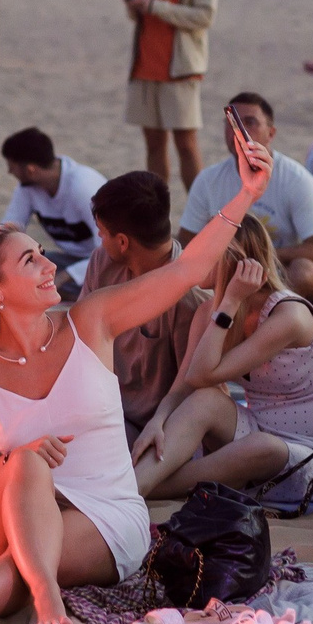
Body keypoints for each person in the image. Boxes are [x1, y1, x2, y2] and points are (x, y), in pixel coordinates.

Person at [0, 121, 275, 624]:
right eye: (30, 261)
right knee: (28, 464)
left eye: (42, 253)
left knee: (41, 541)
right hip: (9, 508)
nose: (49, 265)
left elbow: (187, 269)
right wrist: (20, 457)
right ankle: (40, 592)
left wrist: (246, 194)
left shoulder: (91, 320)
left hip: (106, 511)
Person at [130, 215, 313, 508]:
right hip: (256, 429)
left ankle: (144, 488)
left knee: (260, 446)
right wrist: (158, 419)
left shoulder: (289, 316)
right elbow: (186, 386)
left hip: (308, 453)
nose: (193, 257)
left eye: (206, 251)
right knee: (205, 400)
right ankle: (136, 485)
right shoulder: (210, 312)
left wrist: (230, 302)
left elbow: (202, 374)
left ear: (235, 261)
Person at [78, 171, 203, 444]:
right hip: (101, 406)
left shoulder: (188, 299)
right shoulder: (103, 262)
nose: (100, 238)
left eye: (102, 233)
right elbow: (80, 339)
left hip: (152, 428)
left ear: (122, 242)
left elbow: (190, 389)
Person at [175, 92, 313, 301]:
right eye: (232, 123)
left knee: (304, 272)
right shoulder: (208, 179)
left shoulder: (296, 178)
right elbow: (186, 241)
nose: (238, 131)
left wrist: (257, 257)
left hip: (279, 273)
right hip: (227, 273)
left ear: (271, 133)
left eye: (250, 122)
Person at [123, 0, 217, 192]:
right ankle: (157, 214)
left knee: (186, 143)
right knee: (153, 143)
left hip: (181, 68)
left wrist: (156, 6)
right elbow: (135, 12)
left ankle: (199, 214)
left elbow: (204, 16)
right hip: (145, 67)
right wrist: (134, 7)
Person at [0, 128, 104, 282]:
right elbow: (8, 229)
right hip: (70, 260)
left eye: (12, 167)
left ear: (31, 170)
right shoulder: (28, 187)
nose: (9, 172)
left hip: (105, 263)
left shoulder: (83, 188)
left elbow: (109, 251)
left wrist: (66, 276)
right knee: (15, 268)